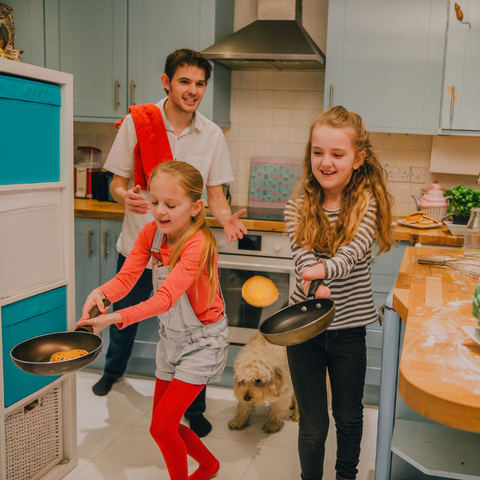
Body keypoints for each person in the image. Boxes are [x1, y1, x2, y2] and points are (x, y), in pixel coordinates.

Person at [95, 48, 246, 437]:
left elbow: (215, 195)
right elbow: (117, 181)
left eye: (199, 84)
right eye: (185, 82)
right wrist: (121, 195)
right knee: (126, 316)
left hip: (184, 253)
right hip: (140, 244)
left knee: (191, 330)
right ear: (167, 82)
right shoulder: (137, 122)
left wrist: (226, 218)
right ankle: (113, 373)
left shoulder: (212, 134)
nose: (193, 90)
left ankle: (193, 407)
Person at [77, 161, 228, 480]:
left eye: (171, 205)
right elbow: (126, 278)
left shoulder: (197, 244)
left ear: (195, 207)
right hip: (171, 339)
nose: (160, 211)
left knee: (161, 426)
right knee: (162, 427)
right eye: (155, 201)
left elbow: (163, 300)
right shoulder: (150, 233)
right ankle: (210, 465)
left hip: (204, 342)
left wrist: (115, 317)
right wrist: (101, 293)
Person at [284, 106, 394, 480]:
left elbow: (351, 254)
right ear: (309, 154)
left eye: (337, 154)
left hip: (349, 332)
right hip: (303, 332)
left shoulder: (367, 206)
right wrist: (313, 279)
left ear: (358, 159)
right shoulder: (295, 206)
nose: (325, 162)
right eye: (318, 152)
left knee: (348, 417)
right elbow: (301, 256)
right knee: (312, 425)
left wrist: (320, 272)